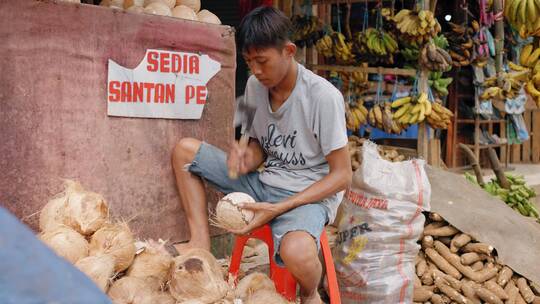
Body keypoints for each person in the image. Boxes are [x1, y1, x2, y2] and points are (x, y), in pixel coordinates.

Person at [171, 6, 352, 304]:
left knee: (298, 253)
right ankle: (200, 241)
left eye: (262, 61)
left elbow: (343, 175)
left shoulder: (323, 97)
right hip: (263, 185)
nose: (255, 70)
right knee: (184, 152)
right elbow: (257, 146)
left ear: (288, 51)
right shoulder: (255, 86)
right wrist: (246, 159)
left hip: (305, 196)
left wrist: (281, 207)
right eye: (248, 61)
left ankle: (308, 294)